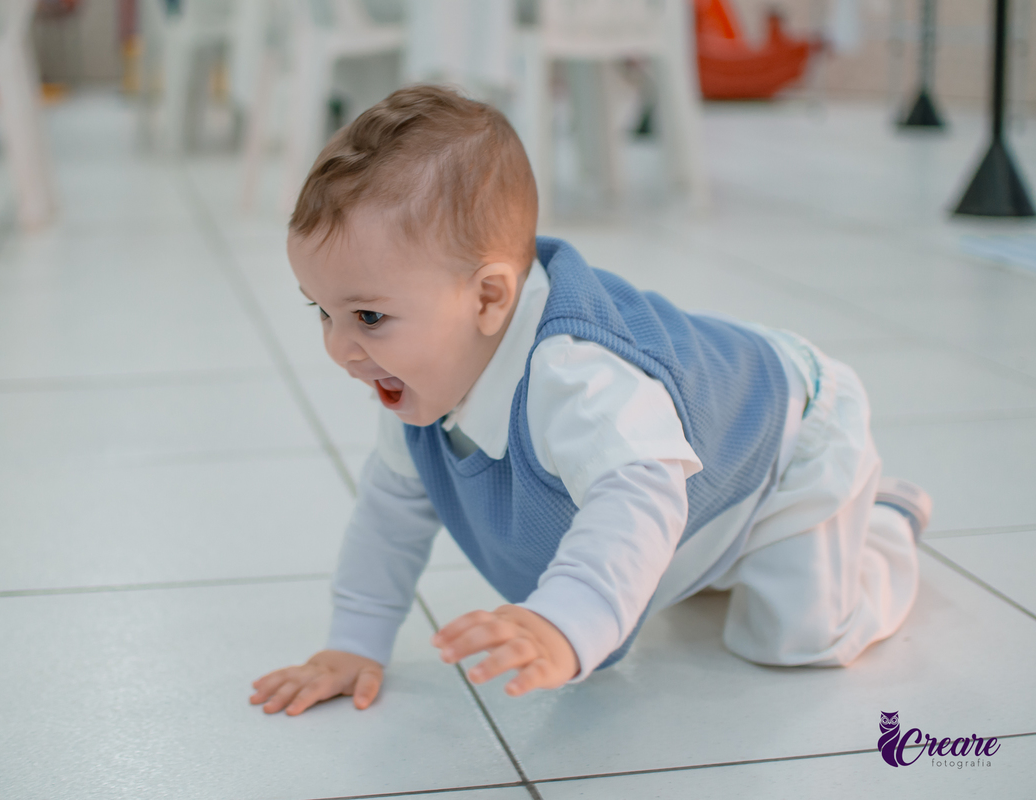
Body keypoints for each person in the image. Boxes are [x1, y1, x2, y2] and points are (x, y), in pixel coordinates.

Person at [249, 85, 930, 717]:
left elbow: (637, 498)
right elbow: (389, 514)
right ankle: (739, 552)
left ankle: (885, 521)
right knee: (667, 552)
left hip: (792, 433)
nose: (339, 349)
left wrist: (566, 622)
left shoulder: (578, 377)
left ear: (488, 297)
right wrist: (353, 642)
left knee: (799, 637)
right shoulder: (415, 383)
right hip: (696, 442)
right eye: (322, 312)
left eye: (367, 317)